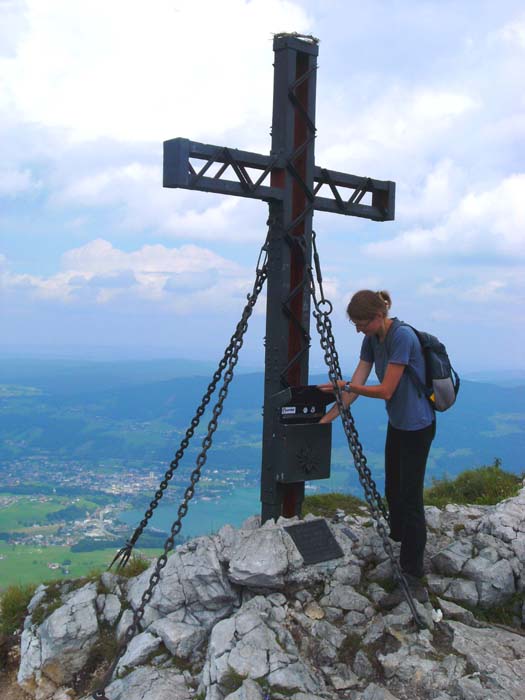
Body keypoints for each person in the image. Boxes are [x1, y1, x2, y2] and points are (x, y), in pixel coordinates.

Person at [318, 289, 435, 600]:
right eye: (355, 324)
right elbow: (357, 384)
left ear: (378, 317)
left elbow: (384, 390)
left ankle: (413, 576)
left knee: (410, 498)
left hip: (418, 427)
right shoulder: (371, 339)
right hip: (399, 424)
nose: (358, 329)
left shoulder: (402, 338)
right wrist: (329, 417)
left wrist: (346, 385)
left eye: (361, 323)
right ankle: (402, 543)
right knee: (393, 488)